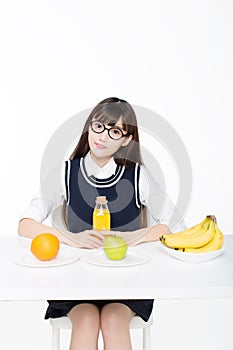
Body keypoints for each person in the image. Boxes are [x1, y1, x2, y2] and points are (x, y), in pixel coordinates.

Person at [18, 97, 185, 350]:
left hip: (126, 282)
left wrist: (129, 238)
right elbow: (25, 225)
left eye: (114, 131)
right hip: (75, 284)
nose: (103, 136)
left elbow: (176, 226)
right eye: (98, 126)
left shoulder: (137, 175)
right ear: (89, 127)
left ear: (126, 139)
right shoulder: (65, 173)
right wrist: (71, 238)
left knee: (113, 319)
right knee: (85, 319)